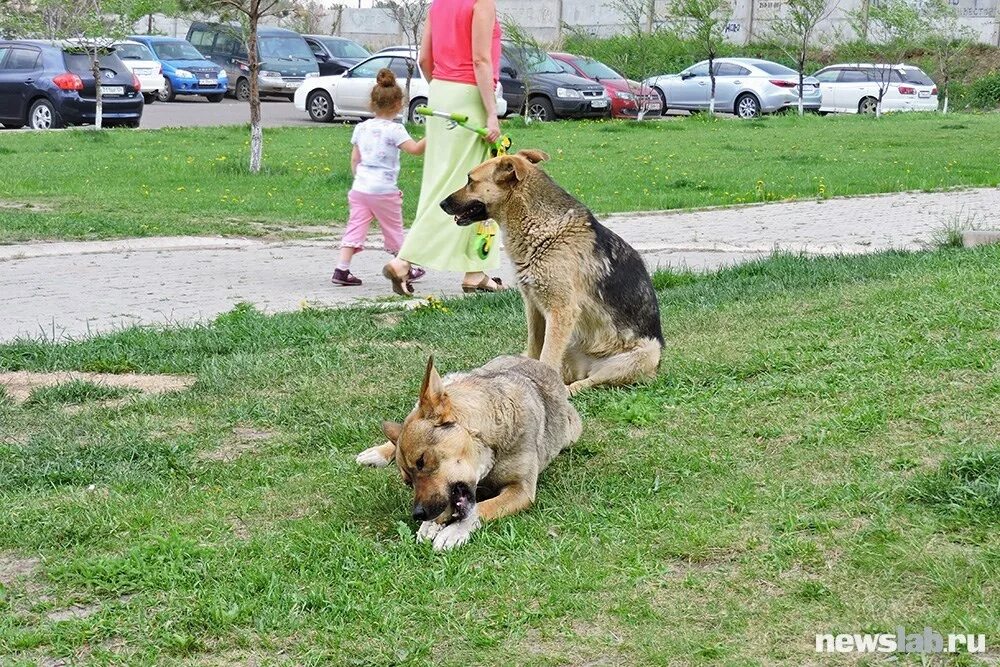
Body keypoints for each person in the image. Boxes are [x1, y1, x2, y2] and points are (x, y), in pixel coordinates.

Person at [381, 0, 505, 296]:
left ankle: (475, 273)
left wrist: (444, 89)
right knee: (471, 185)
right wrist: (490, 113)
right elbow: (480, 60)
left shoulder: (439, 4)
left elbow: (425, 59)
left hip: (440, 94)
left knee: (445, 181)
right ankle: (403, 261)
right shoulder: (481, 3)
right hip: (469, 96)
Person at [332, 69, 427, 287]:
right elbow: (414, 150)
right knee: (394, 229)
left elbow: (355, 159)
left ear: (372, 103)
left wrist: (361, 181)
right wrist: (433, 136)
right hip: (384, 191)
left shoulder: (361, 128)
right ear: (398, 104)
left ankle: (341, 270)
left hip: (360, 190)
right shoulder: (395, 130)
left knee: (355, 227)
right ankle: (406, 267)